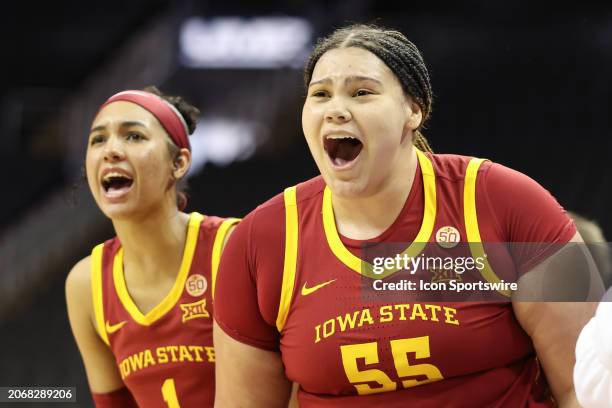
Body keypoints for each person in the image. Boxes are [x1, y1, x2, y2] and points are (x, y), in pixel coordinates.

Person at [213, 24, 603, 407]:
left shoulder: (510, 202)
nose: (336, 110)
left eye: (362, 92)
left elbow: (584, 390)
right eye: (321, 95)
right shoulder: (258, 244)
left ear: (412, 110)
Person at [65, 87, 238, 407]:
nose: (110, 150)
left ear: (179, 163)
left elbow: (293, 384)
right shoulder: (85, 284)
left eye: (133, 136)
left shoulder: (232, 248)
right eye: (98, 139)